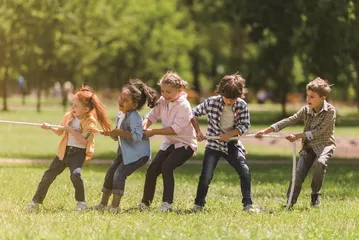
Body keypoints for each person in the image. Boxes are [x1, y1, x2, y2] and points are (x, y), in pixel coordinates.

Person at [25, 86, 111, 211]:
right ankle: (35, 202)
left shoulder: (90, 122)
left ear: (86, 109)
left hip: (78, 153)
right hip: (63, 151)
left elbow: (83, 140)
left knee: (75, 175)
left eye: (76, 106)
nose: (73, 108)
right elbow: (60, 132)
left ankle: (81, 202)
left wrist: (71, 130)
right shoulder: (69, 116)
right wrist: (50, 127)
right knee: (48, 175)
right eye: (73, 104)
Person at [255, 77, 336, 208]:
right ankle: (290, 201)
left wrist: (297, 136)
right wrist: (266, 131)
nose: (308, 99)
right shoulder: (306, 110)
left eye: (312, 97)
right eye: (307, 96)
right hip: (308, 147)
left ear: (322, 98)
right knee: (298, 174)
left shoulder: (330, 111)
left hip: (324, 145)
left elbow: (318, 131)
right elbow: (289, 120)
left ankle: (315, 195)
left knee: (320, 163)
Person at [191, 73, 254, 212]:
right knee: (206, 175)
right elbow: (193, 113)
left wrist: (229, 135)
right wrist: (198, 132)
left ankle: (248, 204)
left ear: (239, 95)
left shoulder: (242, 105)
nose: (229, 101)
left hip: (232, 144)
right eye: (227, 98)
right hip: (213, 145)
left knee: (244, 171)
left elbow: (244, 125)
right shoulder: (212, 102)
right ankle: (198, 204)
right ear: (221, 92)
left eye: (233, 99)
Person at [93, 79, 158, 213]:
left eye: (125, 100)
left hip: (139, 155)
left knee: (119, 174)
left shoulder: (134, 117)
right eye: (121, 98)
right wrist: (111, 133)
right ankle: (103, 204)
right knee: (111, 172)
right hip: (126, 153)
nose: (121, 102)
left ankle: (115, 207)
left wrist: (120, 132)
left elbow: (137, 136)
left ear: (134, 105)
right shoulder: (120, 115)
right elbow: (117, 137)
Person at [138, 71, 197, 212]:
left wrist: (154, 132)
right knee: (152, 170)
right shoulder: (163, 101)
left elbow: (174, 129)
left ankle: (167, 204)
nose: (164, 94)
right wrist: (144, 126)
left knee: (167, 167)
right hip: (169, 143)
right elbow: (151, 116)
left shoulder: (184, 106)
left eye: (168, 91)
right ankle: (145, 203)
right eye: (162, 91)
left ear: (180, 90)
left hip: (185, 144)